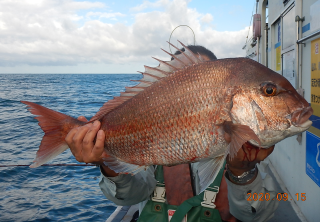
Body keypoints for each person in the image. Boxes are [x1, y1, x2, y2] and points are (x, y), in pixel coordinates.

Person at [65, 45, 279, 222]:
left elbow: (260, 216)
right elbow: (130, 196)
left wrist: (242, 172)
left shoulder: (247, 147)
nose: (194, 90)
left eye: (202, 81)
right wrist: (106, 162)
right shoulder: (152, 129)